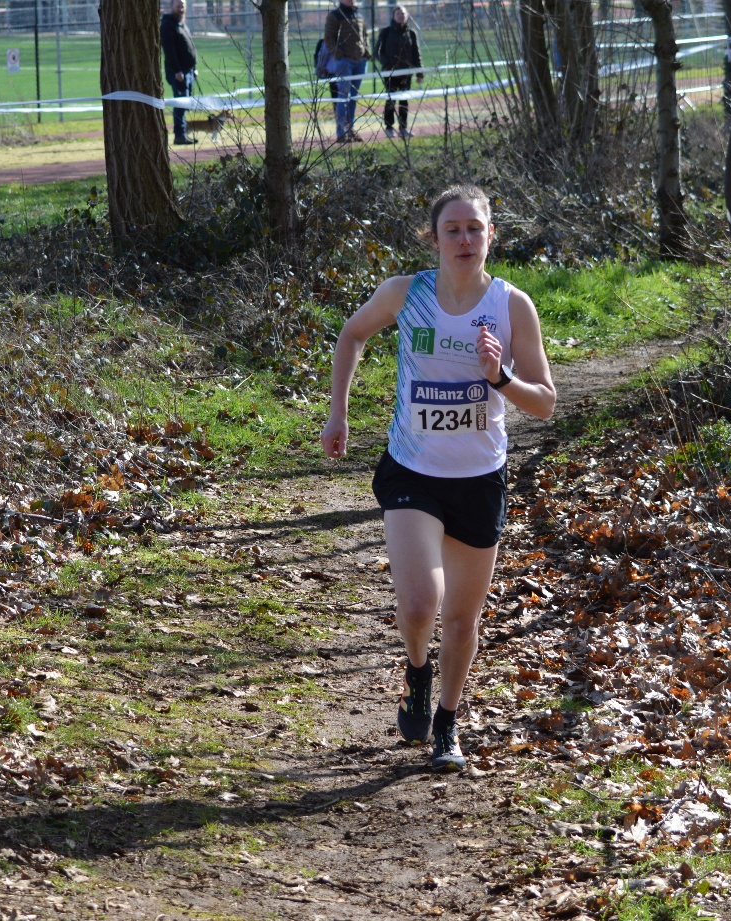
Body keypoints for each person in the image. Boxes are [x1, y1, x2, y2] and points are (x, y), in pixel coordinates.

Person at [321, 186, 556, 771]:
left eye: (475, 228)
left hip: (480, 479)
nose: (464, 240)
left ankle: (447, 723)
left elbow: (546, 402)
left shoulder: (511, 306)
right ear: (434, 238)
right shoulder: (407, 293)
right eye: (452, 229)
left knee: (462, 617)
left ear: (491, 235)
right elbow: (351, 334)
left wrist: (500, 378)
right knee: (423, 602)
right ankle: (417, 673)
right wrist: (338, 411)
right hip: (412, 472)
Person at [323, 0, 370, 143]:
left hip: (360, 61)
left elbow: (365, 34)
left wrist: (366, 51)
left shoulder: (359, 15)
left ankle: (351, 130)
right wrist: (338, 53)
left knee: (353, 98)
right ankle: (341, 132)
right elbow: (328, 38)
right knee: (343, 97)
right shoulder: (335, 15)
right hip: (344, 62)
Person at [374, 6, 423, 138]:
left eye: (403, 13)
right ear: (393, 16)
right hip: (390, 73)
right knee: (391, 99)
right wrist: (388, 63)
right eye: (398, 13)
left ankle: (403, 128)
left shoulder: (411, 33)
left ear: (406, 16)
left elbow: (416, 54)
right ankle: (389, 128)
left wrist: (419, 73)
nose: (400, 15)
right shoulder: (386, 32)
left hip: (406, 73)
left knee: (404, 101)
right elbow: (377, 52)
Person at [161, 0, 199, 145]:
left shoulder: (181, 24)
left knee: (185, 103)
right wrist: (177, 71)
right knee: (181, 103)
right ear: (171, 7)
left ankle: (183, 133)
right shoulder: (168, 25)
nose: (181, 9)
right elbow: (169, 51)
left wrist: (194, 68)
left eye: (182, 6)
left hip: (189, 72)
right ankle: (179, 135)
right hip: (178, 73)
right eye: (178, 6)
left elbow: (189, 47)